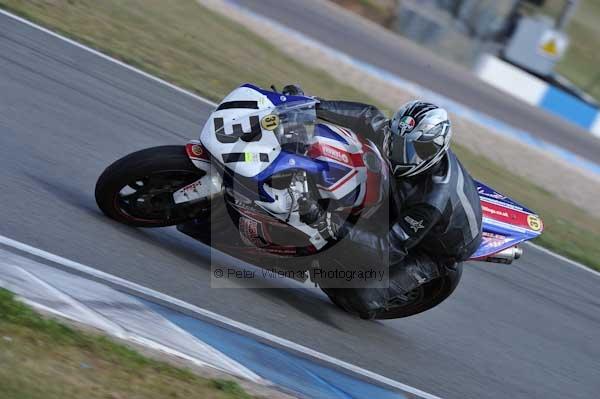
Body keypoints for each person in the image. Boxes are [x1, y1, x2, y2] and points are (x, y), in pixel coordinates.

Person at [284, 85, 483, 319]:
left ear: (432, 150)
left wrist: (325, 221)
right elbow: (369, 117)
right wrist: (310, 104)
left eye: (412, 149)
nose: (400, 153)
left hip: (431, 249)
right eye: (398, 141)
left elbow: (387, 249)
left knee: (357, 299)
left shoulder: (430, 201)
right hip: (399, 201)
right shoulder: (403, 140)